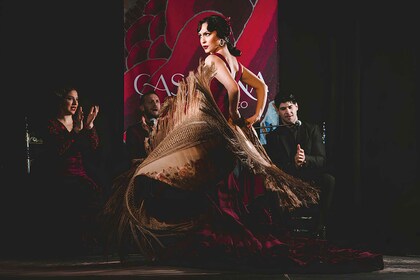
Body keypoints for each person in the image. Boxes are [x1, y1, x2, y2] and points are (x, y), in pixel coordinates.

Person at [104, 14, 383, 273]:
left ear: (221, 37)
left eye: (206, 34)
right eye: (199, 34)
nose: (201, 39)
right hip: (227, 137)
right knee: (217, 186)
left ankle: (203, 236)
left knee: (203, 183)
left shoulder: (214, 60)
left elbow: (234, 89)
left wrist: (236, 115)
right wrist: (254, 116)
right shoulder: (234, 62)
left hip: (218, 134)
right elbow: (260, 88)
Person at [34, 86, 103, 257]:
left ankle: (88, 245)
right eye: (70, 98)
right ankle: (71, 247)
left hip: (79, 172)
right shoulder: (51, 124)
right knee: (76, 193)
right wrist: (77, 132)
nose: (74, 103)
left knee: (96, 190)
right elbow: (59, 151)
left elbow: (93, 146)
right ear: (60, 100)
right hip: (59, 173)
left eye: (76, 99)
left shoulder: (78, 122)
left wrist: (89, 126)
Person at [265, 92, 335, 239]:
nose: (288, 112)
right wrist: (294, 164)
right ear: (277, 111)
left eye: (290, 107)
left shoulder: (312, 129)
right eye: (283, 109)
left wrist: (305, 159)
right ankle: (284, 231)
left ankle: (319, 227)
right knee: (270, 184)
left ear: (296, 107)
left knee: (329, 179)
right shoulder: (273, 137)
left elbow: (322, 160)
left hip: (310, 176)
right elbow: (276, 166)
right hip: (287, 177)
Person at [125, 91, 161, 164]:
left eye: (157, 101)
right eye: (151, 102)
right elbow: (133, 159)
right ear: (142, 108)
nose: (155, 104)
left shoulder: (167, 127)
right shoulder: (133, 131)